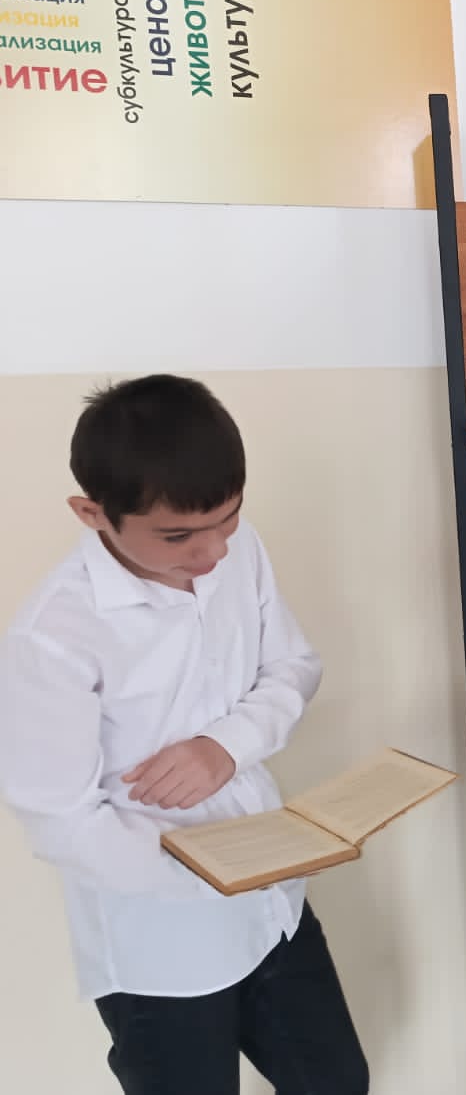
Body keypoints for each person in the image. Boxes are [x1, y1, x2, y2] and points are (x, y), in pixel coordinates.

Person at [0, 375, 368, 1095]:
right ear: (92, 513)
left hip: (274, 908)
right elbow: (60, 820)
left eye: (228, 519)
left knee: (336, 1084)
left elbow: (292, 667)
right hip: (160, 950)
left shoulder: (236, 547)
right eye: (178, 536)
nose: (212, 553)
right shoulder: (54, 637)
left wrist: (227, 745)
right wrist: (207, 874)